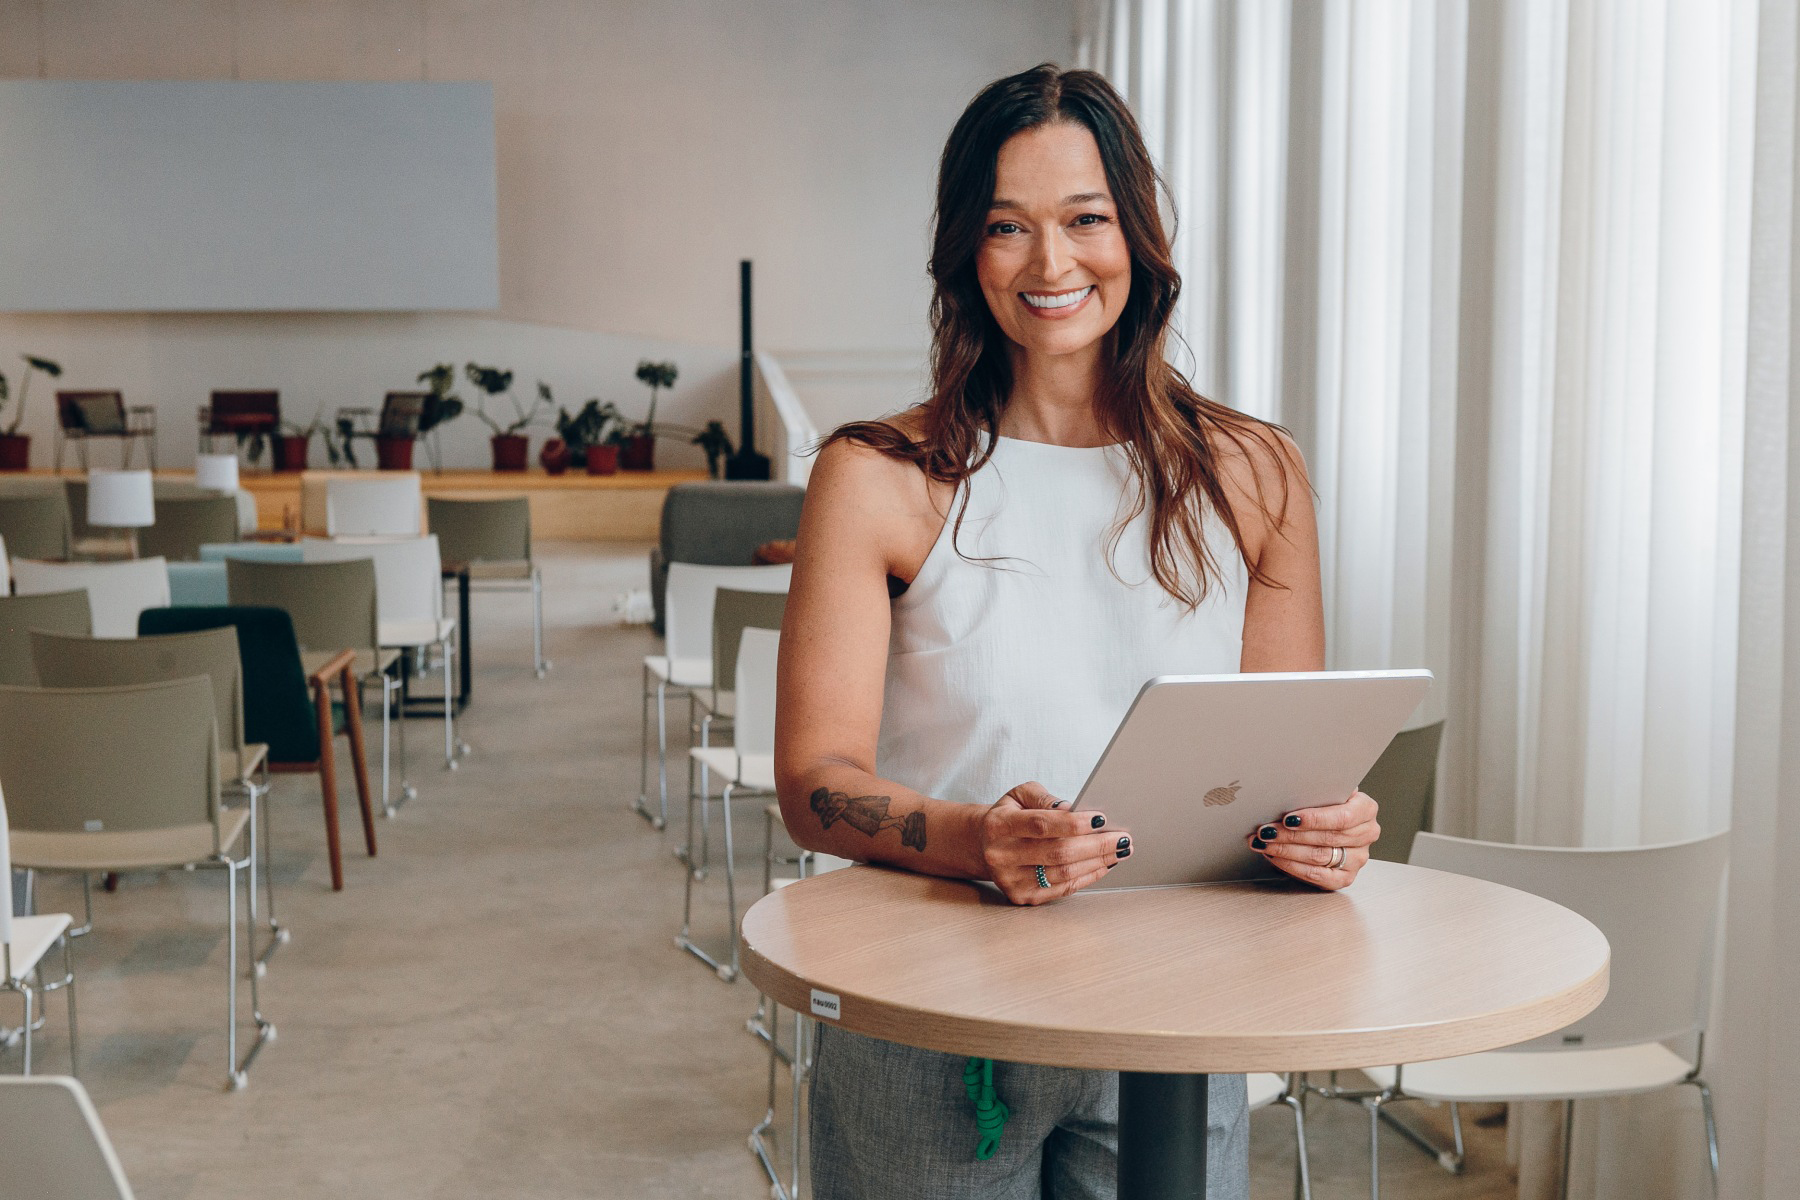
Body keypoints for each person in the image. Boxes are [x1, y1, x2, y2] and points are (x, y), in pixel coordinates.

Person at [775, 63, 1381, 1199]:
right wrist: (975, 842)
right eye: (1008, 227)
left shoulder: (1256, 473)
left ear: (1137, 236)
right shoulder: (877, 476)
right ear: (965, 251)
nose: (1052, 265)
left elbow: (1280, 770)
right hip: (925, 1006)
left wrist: (1320, 830)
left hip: (1171, 1010)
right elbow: (814, 785)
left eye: (1085, 219)